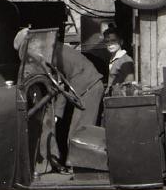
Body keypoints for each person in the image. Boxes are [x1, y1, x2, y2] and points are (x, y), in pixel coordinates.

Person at [14, 27, 102, 171]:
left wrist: (56, 114)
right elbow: (60, 84)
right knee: (75, 134)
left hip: (88, 87)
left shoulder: (50, 53)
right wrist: (57, 114)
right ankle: (76, 170)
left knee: (78, 135)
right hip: (83, 87)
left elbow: (59, 84)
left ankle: (82, 174)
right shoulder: (51, 51)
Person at [103, 31, 136, 97]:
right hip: (112, 97)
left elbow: (129, 87)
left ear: (121, 42)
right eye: (107, 41)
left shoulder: (125, 60)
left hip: (120, 99)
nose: (110, 44)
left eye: (113, 40)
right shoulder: (114, 58)